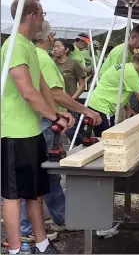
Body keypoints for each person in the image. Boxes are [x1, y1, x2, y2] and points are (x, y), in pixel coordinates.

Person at [1, 0, 73, 254]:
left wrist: (59, 114)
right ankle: (16, 249)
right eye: (42, 14)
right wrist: (54, 117)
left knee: (35, 191)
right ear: (32, 15)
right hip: (13, 132)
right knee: (12, 195)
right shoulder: (13, 46)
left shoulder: (29, 46)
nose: (44, 19)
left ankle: (42, 244)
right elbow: (28, 92)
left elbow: (42, 86)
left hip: (31, 132)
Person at [19, 21, 102, 243]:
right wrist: (85, 110)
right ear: (50, 37)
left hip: (35, 121)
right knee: (40, 175)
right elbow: (55, 94)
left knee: (46, 175)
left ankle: (59, 217)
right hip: (42, 123)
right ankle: (26, 229)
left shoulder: (31, 53)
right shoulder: (43, 59)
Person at [88, 48, 139, 136]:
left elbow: (119, 88)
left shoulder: (127, 67)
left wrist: (128, 108)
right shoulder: (131, 73)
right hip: (101, 107)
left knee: (108, 137)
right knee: (106, 139)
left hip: (101, 105)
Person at [99, 23, 139, 112]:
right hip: (108, 95)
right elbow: (115, 80)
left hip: (121, 94)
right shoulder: (120, 53)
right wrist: (127, 106)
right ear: (132, 37)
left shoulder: (137, 52)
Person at [54, 38, 88, 146]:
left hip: (71, 102)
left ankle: (82, 146)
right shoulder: (51, 64)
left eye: (58, 46)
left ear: (67, 49)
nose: (55, 49)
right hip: (57, 103)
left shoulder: (73, 64)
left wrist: (72, 99)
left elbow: (82, 85)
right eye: (54, 47)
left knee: (71, 130)